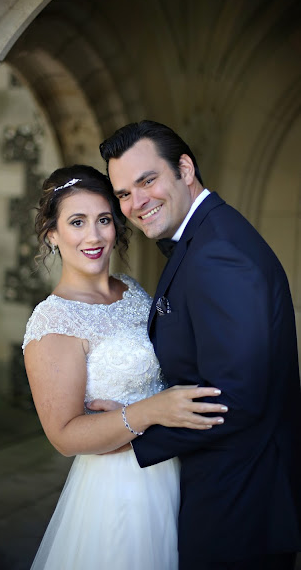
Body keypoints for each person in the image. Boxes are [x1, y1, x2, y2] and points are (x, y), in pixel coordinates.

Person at [94, 120, 301, 570]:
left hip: (240, 505)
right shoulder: (206, 236)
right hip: (234, 496)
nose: (136, 203)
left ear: (184, 169)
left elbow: (237, 398)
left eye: (147, 181)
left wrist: (134, 432)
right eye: (124, 193)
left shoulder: (218, 252)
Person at [23, 164, 227, 570]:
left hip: (172, 467)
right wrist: (152, 411)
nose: (94, 236)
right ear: (52, 233)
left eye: (103, 220)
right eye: (77, 222)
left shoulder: (132, 290)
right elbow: (64, 437)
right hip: (120, 489)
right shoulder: (54, 323)